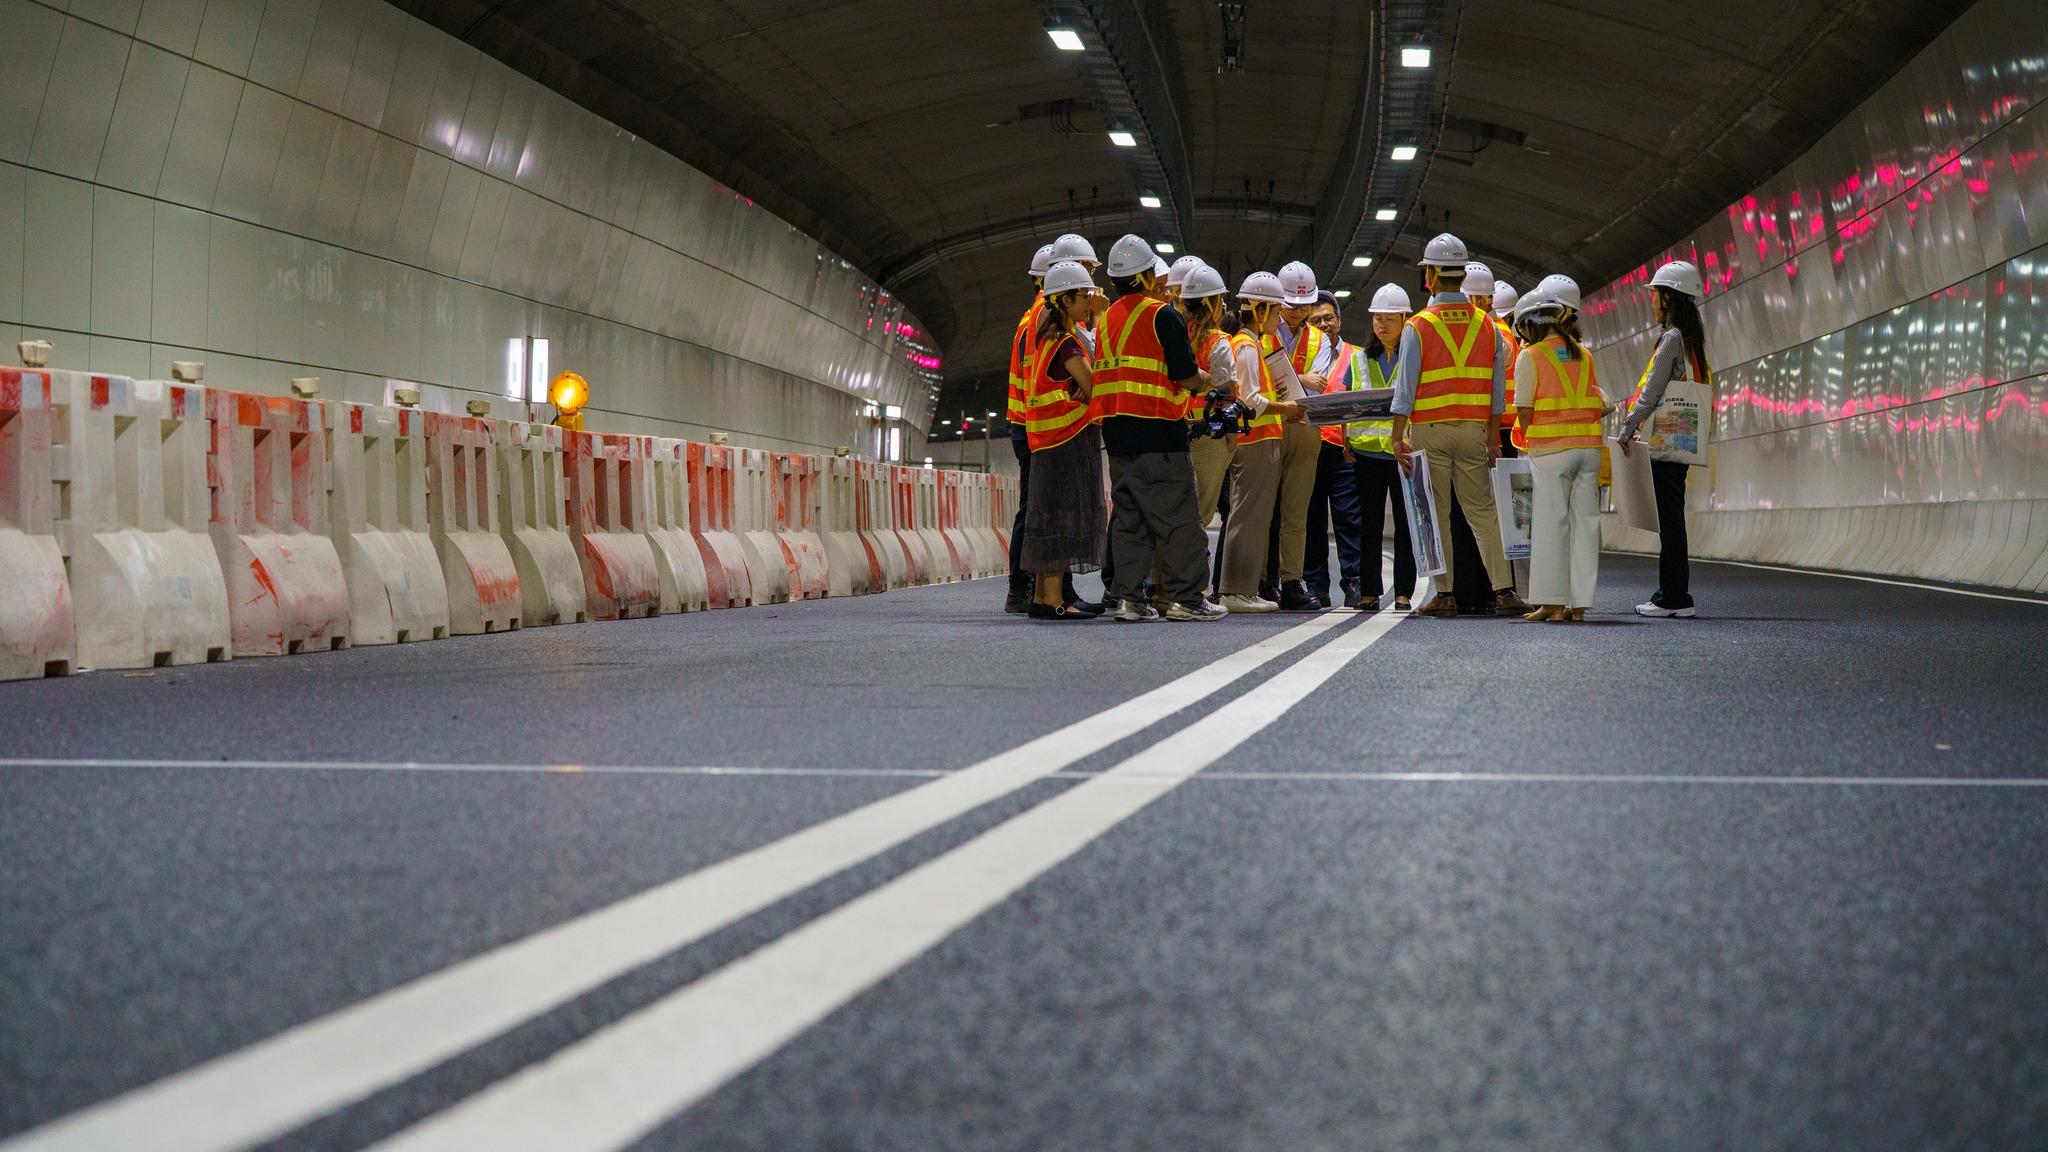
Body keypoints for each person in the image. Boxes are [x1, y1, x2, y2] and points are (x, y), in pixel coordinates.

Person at [1387, 233, 1532, 618]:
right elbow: (1498, 389)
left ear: (1432, 275)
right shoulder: (1487, 325)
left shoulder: (1418, 325)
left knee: (1437, 513)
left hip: (1430, 430)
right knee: (1482, 511)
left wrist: (1396, 435)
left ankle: (1445, 594)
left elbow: (1406, 387)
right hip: (1473, 430)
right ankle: (1503, 591)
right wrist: (1492, 436)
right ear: (1462, 275)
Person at [1087, 235, 1227, 623]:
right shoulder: (1162, 315)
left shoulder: (1106, 320)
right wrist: (1205, 380)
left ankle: (1129, 600)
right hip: (1159, 431)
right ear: (1148, 275)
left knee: (1130, 519)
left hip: (1117, 434)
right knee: (1179, 519)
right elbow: (1183, 374)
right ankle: (1188, 599)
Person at [1618, 259, 1711, 619]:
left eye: (1655, 294)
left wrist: (1627, 429)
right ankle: (1672, 591)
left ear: (1669, 298)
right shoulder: (1693, 341)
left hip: (1664, 445)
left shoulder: (1672, 339)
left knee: (1670, 520)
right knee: (1673, 517)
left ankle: (1673, 597)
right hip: (1683, 443)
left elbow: (1652, 392)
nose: (1651, 301)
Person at [1018, 260, 1109, 620]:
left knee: (1047, 518)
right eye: (1084, 296)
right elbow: (1095, 385)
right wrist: (1100, 324)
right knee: (1062, 521)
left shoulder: (1045, 338)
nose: (1090, 302)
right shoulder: (1068, 344)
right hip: (1067, 444)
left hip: (1048, 443)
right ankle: (1056, 600)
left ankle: (1044, 597)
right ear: (1066, 300)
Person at [1512, 289, 1608, 622]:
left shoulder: (1532, 356)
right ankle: (1578, 605)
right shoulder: (1585, 355)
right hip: (1589, 450)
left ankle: (1551, 603)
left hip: (1551, 451)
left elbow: (1524, 410)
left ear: (1529, 325)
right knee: (1585, 524)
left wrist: (1534, 438)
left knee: (1551, 524)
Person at [1217, 271, 1306, 612]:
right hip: (1257, 441)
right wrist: (1288, 408)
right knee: (1249, 516)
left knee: (1252, 515)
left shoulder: (1251, 344)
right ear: (1259, 310)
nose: (1279, 316)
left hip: (1261, 439)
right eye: (1274, 310)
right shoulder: (1248, 346)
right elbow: (1250, 400)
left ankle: (1240, 588)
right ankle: (1236, 590)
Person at [1345, 284, 1416, 613]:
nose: (1382, 325)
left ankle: (1403, 593)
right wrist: (1346, 437)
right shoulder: (1359, 358)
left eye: (1389, 319)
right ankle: (1369, 592)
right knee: (1369, 526)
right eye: (1377, 319)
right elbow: (1346, 400)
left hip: (1403, 455)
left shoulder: (1415, 357)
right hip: (1367, 455)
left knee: (1406, 525)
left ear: (1405, 320)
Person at [1265, 261, 1327, 611]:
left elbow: (1319, 383)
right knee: (1260, 508)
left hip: (1304, 426)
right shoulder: (1261, 334)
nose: (1300, 310)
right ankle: (1259, 579)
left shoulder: (1321, 339)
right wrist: (1301, 378)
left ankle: (1291, 579)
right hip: (1268, 426)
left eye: (1305, 305)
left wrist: (1298, 380)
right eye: (1292, 304)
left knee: (1295, 510)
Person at [1305, 291, 1365, 607]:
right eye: (1316, 320)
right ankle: (1315, 586)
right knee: (1311, 518)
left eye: (1329, 318)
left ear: (1339, 320)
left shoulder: (1357, 356)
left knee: (1349, 518)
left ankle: (1354, 583)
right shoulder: (1300, 356)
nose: (1325, 324)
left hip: (1344, 449)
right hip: (1310, 445)